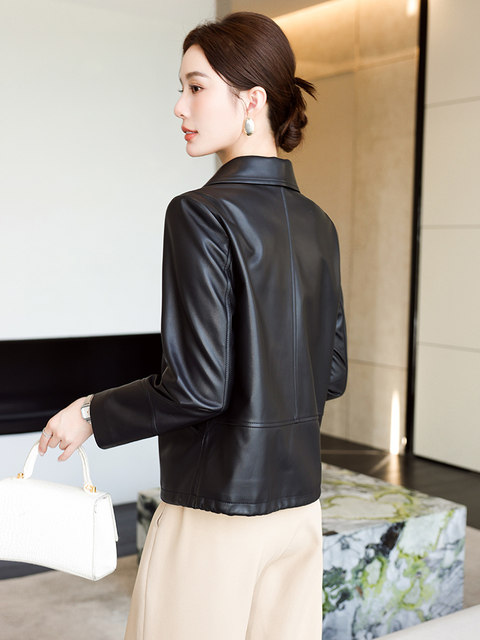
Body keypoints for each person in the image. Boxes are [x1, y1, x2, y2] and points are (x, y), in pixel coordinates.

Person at [38, 11, 347, 640]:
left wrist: (92, 412)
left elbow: (198, 388)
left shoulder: (200, 213)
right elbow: (332, 374)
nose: (180, 106)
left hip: (216, 511)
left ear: (252, 100)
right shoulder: (319, 223)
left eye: (197, 87)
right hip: (300, 508)